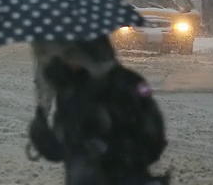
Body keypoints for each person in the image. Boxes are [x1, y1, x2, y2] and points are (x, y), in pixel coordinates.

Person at [28, 36, 170, 185]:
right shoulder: (70, 91)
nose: (63, 60)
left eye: (69, 53)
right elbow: (61, 150)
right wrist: (41, 135)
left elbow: (153, 142)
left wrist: (109, 149)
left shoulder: (126, 85)